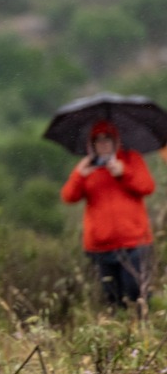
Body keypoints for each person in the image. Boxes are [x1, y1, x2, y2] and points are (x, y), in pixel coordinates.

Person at [60, 120, 156, 307]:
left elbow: (147, 187)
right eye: (98, 140)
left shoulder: (131, 159)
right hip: (101, 245)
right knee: (113, 297)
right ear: (92, 144)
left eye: (107, 139)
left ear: (116, 141)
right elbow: (68, 197)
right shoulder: (87, 167)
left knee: (136, 291)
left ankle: (143, 327)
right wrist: (80, 175)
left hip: (134, 240)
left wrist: (124, 173)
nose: (103, 144)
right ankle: (120, 330)